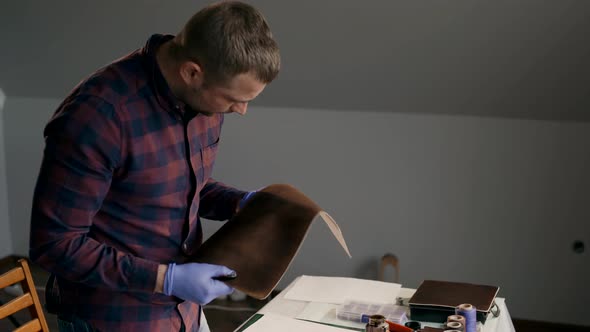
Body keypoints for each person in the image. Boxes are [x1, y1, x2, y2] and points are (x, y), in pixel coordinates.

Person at [28, 1, 280, 331]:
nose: (242, 110)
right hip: (114, 318)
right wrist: (167, 279)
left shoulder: (203, 100)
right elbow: (55, 245)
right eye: (234, 99)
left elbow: (176, 188)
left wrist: (241, 203)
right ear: (192, 72)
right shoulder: (99, 116)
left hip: (184, 312)